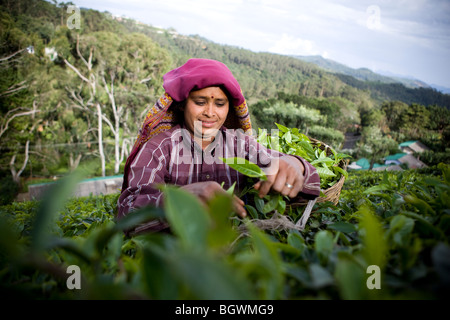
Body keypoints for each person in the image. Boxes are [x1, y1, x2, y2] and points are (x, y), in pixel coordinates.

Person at [118, 58, 320, 235]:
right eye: (200, 102)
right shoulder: (159, 149)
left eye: (220, 104)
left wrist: (293, 164)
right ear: (181, 104)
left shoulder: (240, 143)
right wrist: (180, 199)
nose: (210, 112)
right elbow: (128, 212)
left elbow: (288, 167)